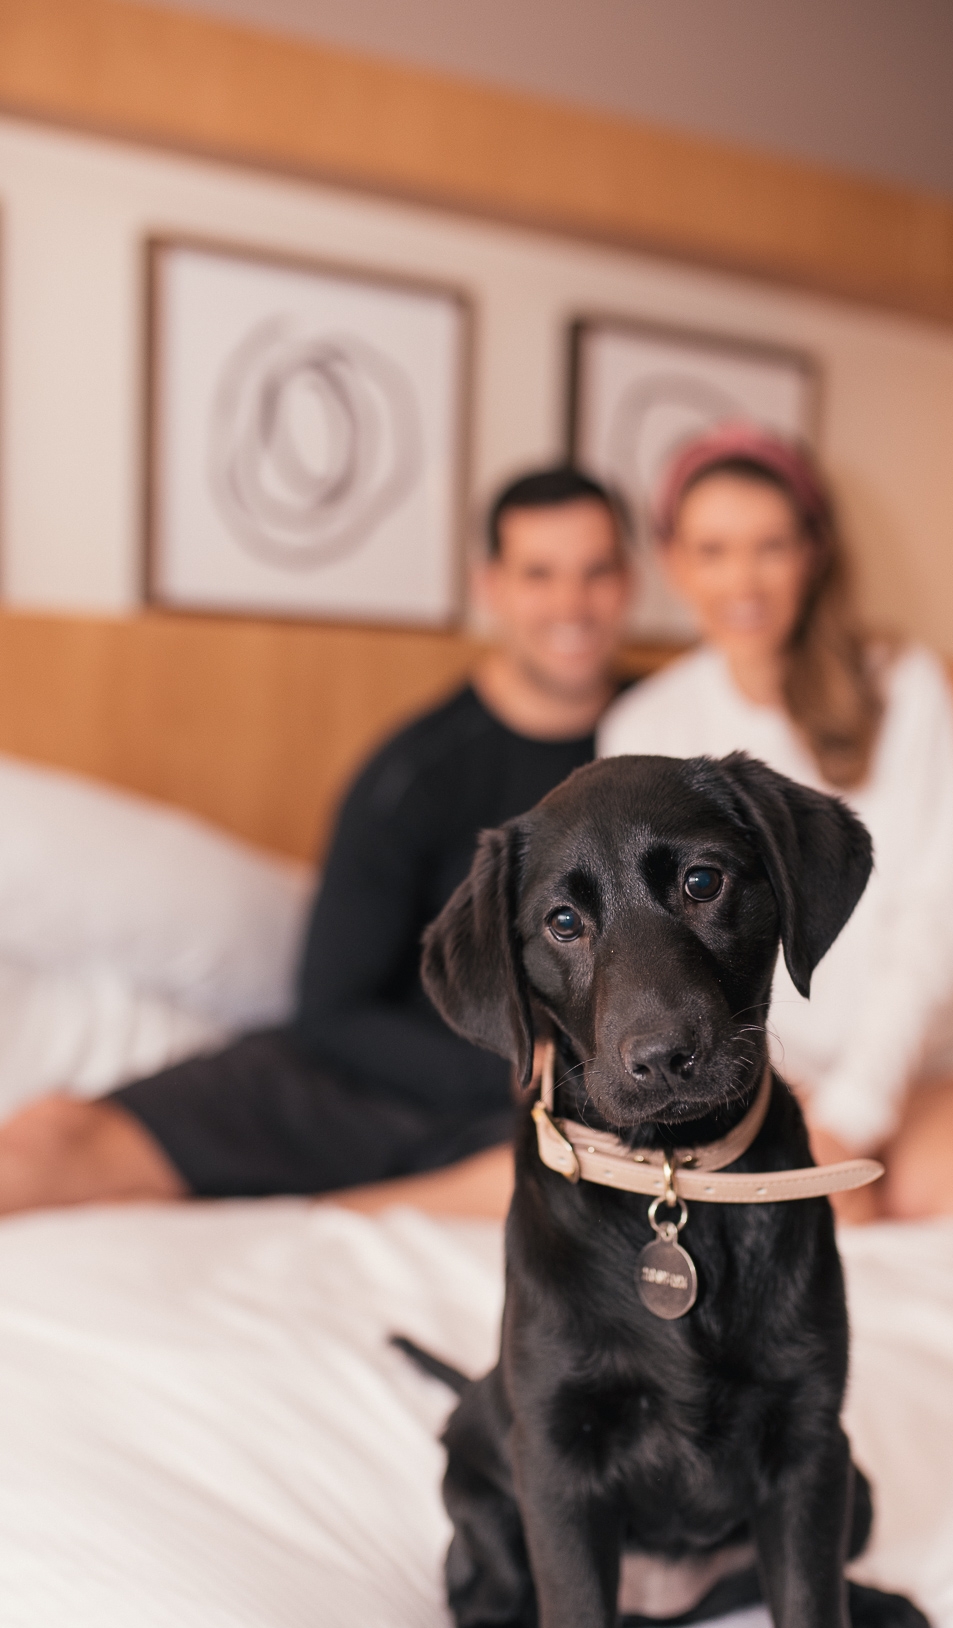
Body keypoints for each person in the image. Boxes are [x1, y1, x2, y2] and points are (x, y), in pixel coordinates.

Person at [0, 466, 632, 1222]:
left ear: (628, 581)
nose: (571, 604)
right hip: (388, 1077)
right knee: (55, 1142)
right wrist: (519, 1065)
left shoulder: (670, 736)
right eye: (540, 574)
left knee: (592, 1175)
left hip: (568, 1111)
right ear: (491, 586)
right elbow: (333, 1010)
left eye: (596, 572)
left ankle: (340, 1216)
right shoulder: (415, 772)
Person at [598, 423, 953, 1224]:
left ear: (815, 551)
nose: (743, 579)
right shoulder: (645, 727)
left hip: (921, 1059)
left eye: (771, 547)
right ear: (674, 562)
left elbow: (936, 920)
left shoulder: (905, 687)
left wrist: (855, 1112)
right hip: (759, 1072)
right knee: (834, 1229)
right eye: (713, 550)